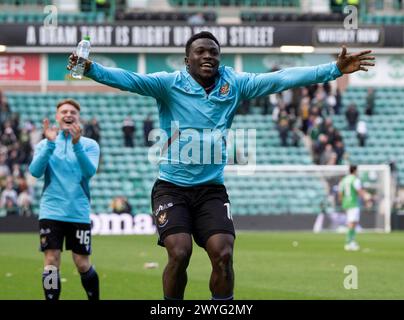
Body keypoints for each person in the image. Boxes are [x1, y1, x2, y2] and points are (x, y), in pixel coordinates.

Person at [67, 31, 374, 300]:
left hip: (211, 190)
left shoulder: (234, 83)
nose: (207, 56)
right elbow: (130, 80)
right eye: (199, 51)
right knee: (179, 252)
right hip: (171, 188)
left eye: (213, 52)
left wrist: (333, 69)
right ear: (186, 60)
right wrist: (91, 68)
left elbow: (281, 78)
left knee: (224, 254)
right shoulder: (169, 84)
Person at [29, 99, 100, 300]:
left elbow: (89, 172)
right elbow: (35, 172)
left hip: (78, 212)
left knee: (82, 263)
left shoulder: (90, 145)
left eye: (72, 112)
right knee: (51, 260)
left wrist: (77, 146)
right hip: (51, 211)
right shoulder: (45, 143)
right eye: (63, 111)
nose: (68, 114)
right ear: (57, 117)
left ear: (78, 117)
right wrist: (50, 145)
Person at [338, 165, 369, 251]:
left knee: (352, 222)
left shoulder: (344, 180)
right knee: (352, 223)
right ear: (355, 171)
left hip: (346, 203)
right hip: (353, 203)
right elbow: (358, 191)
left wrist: (342, 202)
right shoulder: (355, 180)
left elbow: (340, 193)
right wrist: (366, 197)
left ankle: (352, 241)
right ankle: (349, 242)